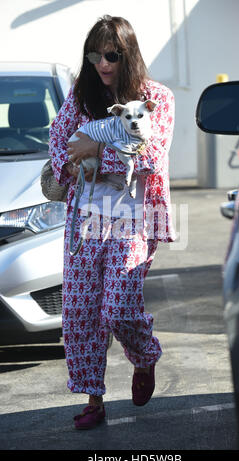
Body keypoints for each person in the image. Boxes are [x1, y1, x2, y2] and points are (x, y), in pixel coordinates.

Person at [49, 15, 176, 430]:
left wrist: (91, 147)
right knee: (81, 314)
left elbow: (149, 155)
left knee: (118, 309)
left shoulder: (157, 97)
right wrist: (96, 151)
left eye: (111, 55)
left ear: (128, 55)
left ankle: (144, 357)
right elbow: (59, 148)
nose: (101, 63)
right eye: (94, 55)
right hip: (83, 221)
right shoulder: (80, 96)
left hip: (133, 220)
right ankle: (94, 400)